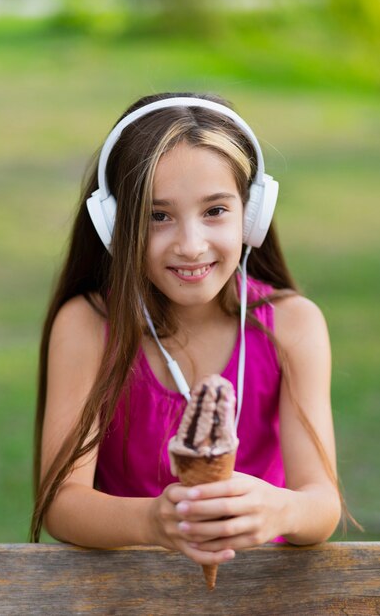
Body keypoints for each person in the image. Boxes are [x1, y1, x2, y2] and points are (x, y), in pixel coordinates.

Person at [30, 92, 344, 567]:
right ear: (116, 225)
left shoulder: (294, 325)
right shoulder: (89, 326)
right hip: (126, 597)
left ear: (251, 214)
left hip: (258, 596)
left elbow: (322, 504)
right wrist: (152, 522)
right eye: (158, 216)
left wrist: (281, 510)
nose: (191, 245)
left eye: (215, 210)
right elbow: (62, 503)